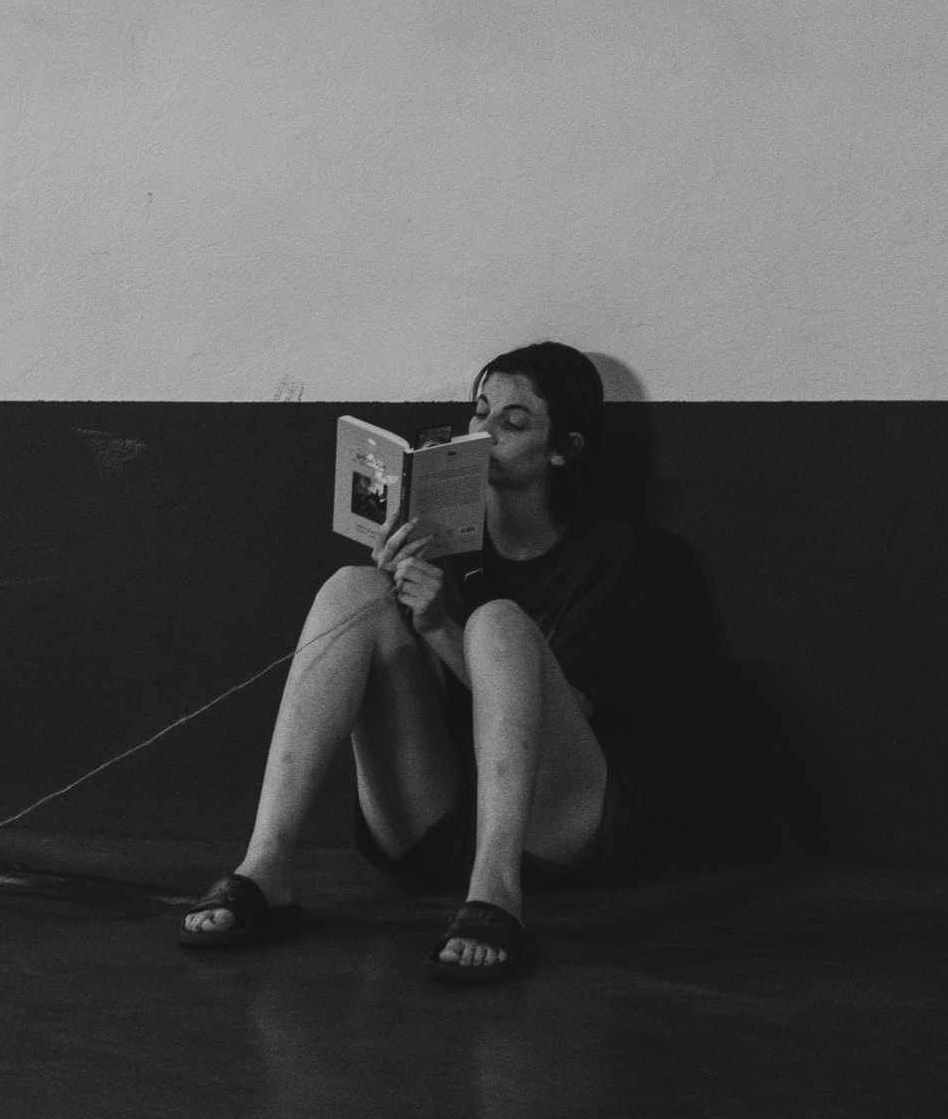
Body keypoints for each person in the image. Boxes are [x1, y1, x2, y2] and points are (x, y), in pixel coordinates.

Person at [178, 341, 650, 982]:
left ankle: (494, 897)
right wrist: (400, 591)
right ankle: (266, 868)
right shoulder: (444, 538)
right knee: (353, 588)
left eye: (512, 424)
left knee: (497, 623)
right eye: (479, 414)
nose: (484, 434)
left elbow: (575, 710)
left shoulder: (606, 552)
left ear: (562, 449)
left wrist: (438, 629)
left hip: (552, 827)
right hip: (436, 812)